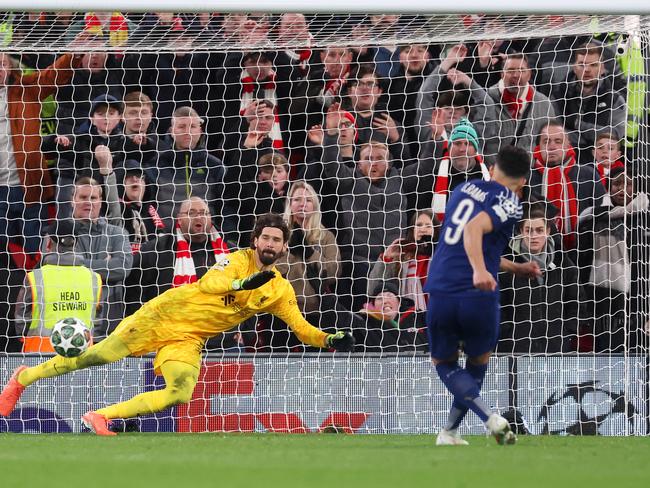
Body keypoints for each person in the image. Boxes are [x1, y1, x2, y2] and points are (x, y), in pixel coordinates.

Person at [0, 214, 355, 434]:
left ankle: (99, 416)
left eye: (276, 240)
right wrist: (241, 285)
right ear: (255, 240)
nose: (270, 244)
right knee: (100, 355)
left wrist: (328, 340)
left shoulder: (279, 289)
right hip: (165, 314)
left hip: (190, 337)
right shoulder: (235, 261)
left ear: (283, 247)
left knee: (180, 391)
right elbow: (208, 284)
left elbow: (300, 326)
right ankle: (23, 379)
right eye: (265, 237)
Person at [424, 145, 540, 446]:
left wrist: (516, 267)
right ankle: (489, 417)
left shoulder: (464, 188)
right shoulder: (512, 203)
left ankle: (450, 432)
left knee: (444, 362)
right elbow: (474, 230)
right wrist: (478, 271)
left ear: (494, 166)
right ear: (524, 181)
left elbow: (469, 239)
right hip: (478, 292)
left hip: (441, 287)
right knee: (478, 361)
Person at [498, 206, 583, 354]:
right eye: (528, 230)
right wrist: (507, 332)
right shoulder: (507, 264)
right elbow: (497, 304)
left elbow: (577, 301)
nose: (533, 235)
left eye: (539, 230)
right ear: (520, 232)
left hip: (557, 348)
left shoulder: (563, 262)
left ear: (548, 231)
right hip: (516, 349)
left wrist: (568, 332)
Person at [14, 219, 102, 352]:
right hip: (80, 359)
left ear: (49, 243)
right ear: (75, 244)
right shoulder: (94, 278)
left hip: (39, 357)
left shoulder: (35, 277)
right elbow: (97, 321)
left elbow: (21, 323)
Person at [70, 177, 133, 338]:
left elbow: (122, 268)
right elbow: (55, 268)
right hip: (70, 326)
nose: (88, 202)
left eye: (93, 198)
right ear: (72, 200)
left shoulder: (117, 233)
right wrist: (105, 266)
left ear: (100, 201)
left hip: (109, 326)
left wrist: (78, 263)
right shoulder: (58, 234)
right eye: (83, 197)